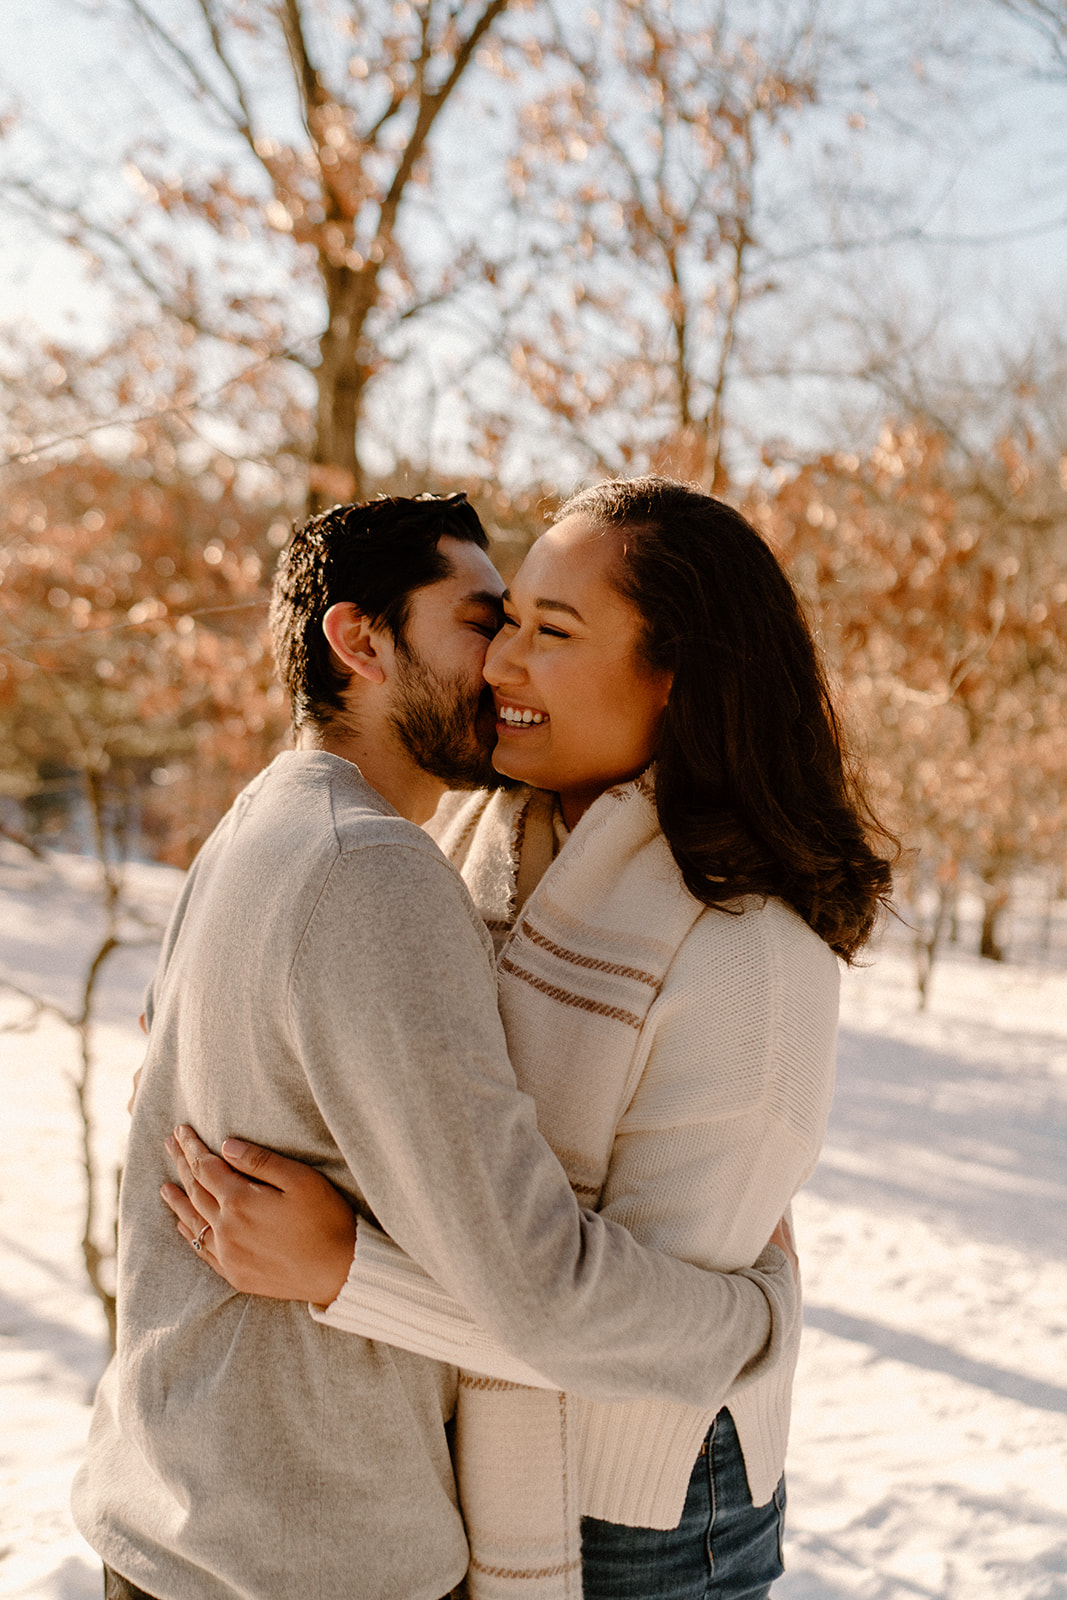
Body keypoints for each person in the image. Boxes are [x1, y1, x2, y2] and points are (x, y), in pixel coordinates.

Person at [163, 478, 896, 1600]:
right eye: (501, 623)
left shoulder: (748, 958)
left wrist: (343, 1270)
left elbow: (618, 1331)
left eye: (548, 633)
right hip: (462, 1452)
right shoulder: (476, 824)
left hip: (638, 1502)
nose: (499, 664)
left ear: (678, 678)